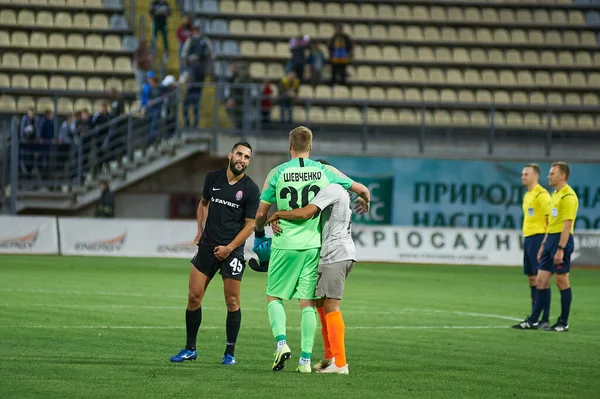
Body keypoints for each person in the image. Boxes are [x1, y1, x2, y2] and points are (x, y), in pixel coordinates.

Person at [254, 126, 370, 373]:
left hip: (284, 242)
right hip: (313, 246)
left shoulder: (277, 172)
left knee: (274, 296)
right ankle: (305, 361)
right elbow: (360, 189)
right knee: (308, 303)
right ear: (311, 147)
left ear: (290, 147)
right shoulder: (325, 171)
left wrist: (261, 231)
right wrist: (364, 198)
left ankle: (282, 343)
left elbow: (261, 213)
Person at [170, 142, 260, 365]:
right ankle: (190, 349)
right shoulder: (213, 178)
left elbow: (250, 225)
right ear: (230, 155)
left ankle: (229, 353)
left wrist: (230, 248)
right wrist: (199, 231)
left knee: (232, 301)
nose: (242, 159)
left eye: (247, 157)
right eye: (239, 154)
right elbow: (203, 204)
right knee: (193, 296)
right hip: (208, 246)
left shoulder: (251, 189)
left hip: (232, 251)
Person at [513, 162, 579, 332]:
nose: (549, 176)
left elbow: (567, 225)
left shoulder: (568, 197)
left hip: (561, 240)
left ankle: (563, 322)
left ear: (563, 176)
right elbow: (551, 223)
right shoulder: (555, 194)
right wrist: (544, 244)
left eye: (552, 173)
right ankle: (534, 320)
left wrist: (561, 248)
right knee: (541, 281)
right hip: (549, 239)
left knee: (561, 280)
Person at [519, 163, 551, 328]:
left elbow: (550, 219)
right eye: (523, 174)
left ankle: (544, 318)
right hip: (529, 238)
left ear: (535, 176)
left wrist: (545, 242)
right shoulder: (528, 195)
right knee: (532, 277)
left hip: (539, 238)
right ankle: (535, 315)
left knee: (542, 279)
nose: (523, 176)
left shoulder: (542, 195)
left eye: (526, 174)